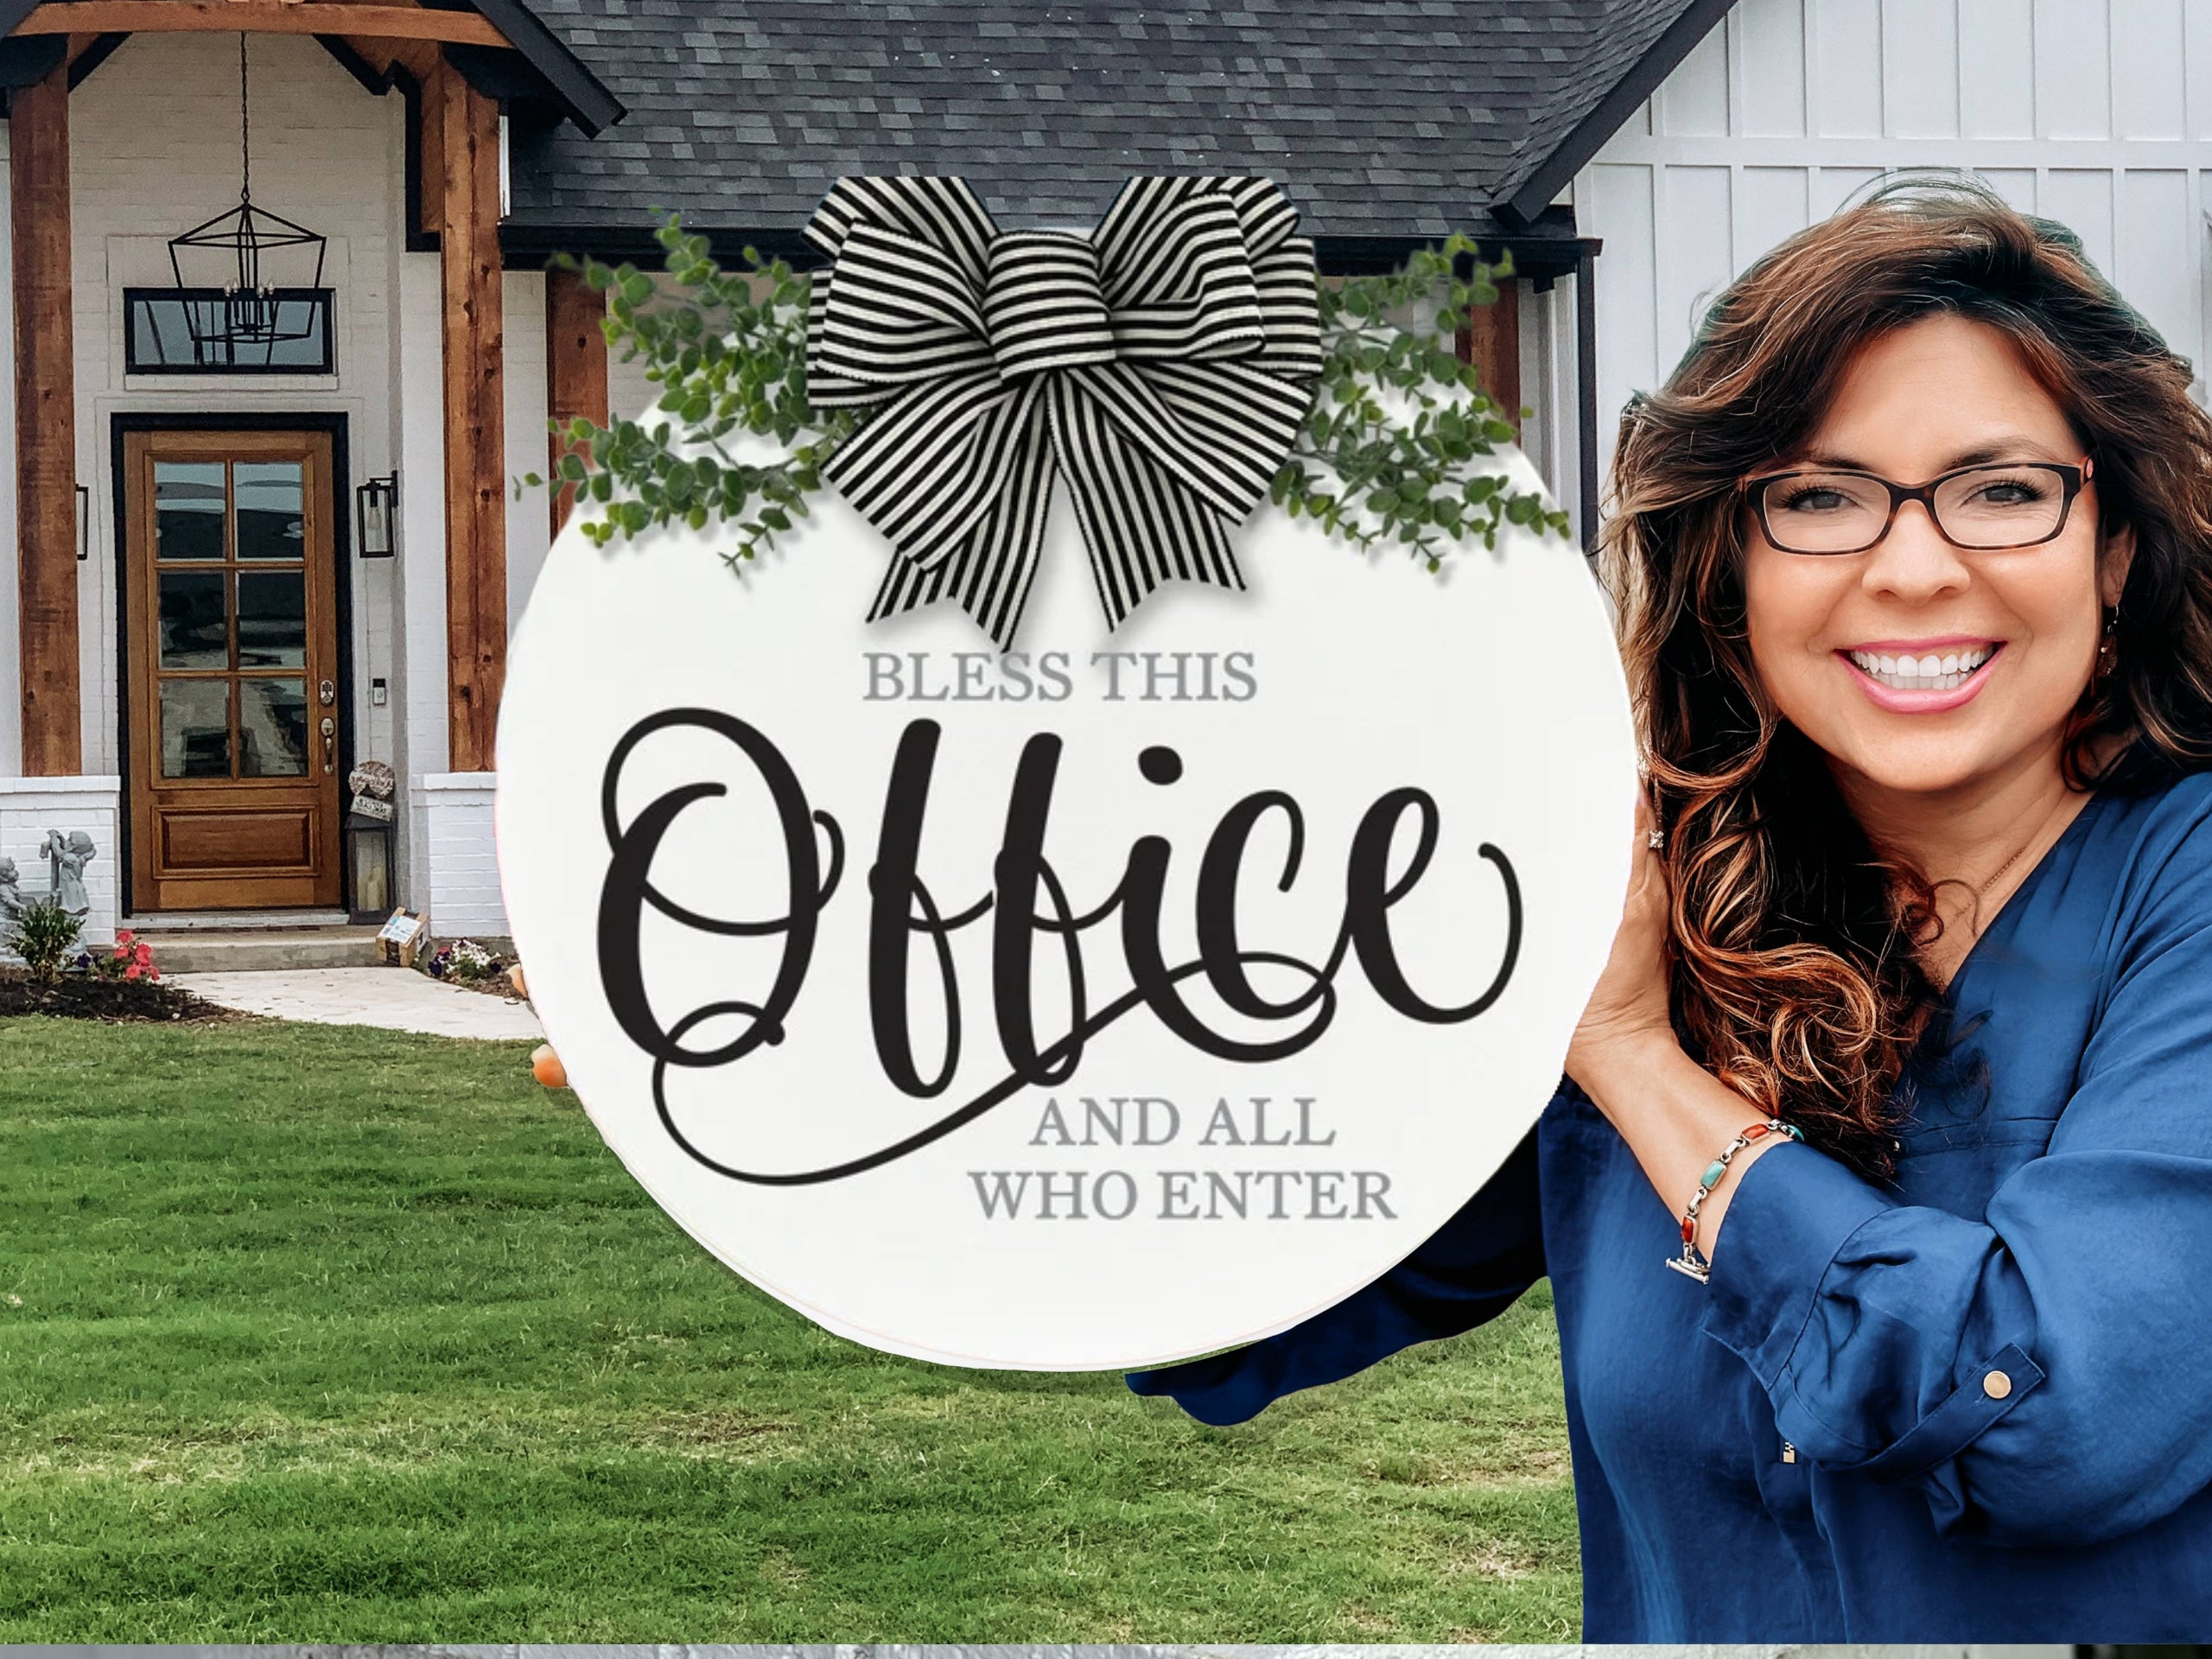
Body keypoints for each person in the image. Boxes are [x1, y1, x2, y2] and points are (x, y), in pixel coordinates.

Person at [1128, 179, 2212, 1640]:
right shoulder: (1646, 897)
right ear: (1730, 565)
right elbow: (1253, 1265)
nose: (1910, 566)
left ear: (2119, 546)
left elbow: (2053, 1416)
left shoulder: (2180, 894)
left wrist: (1640, 1060)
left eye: (2003, 490)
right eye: (1818, 497)